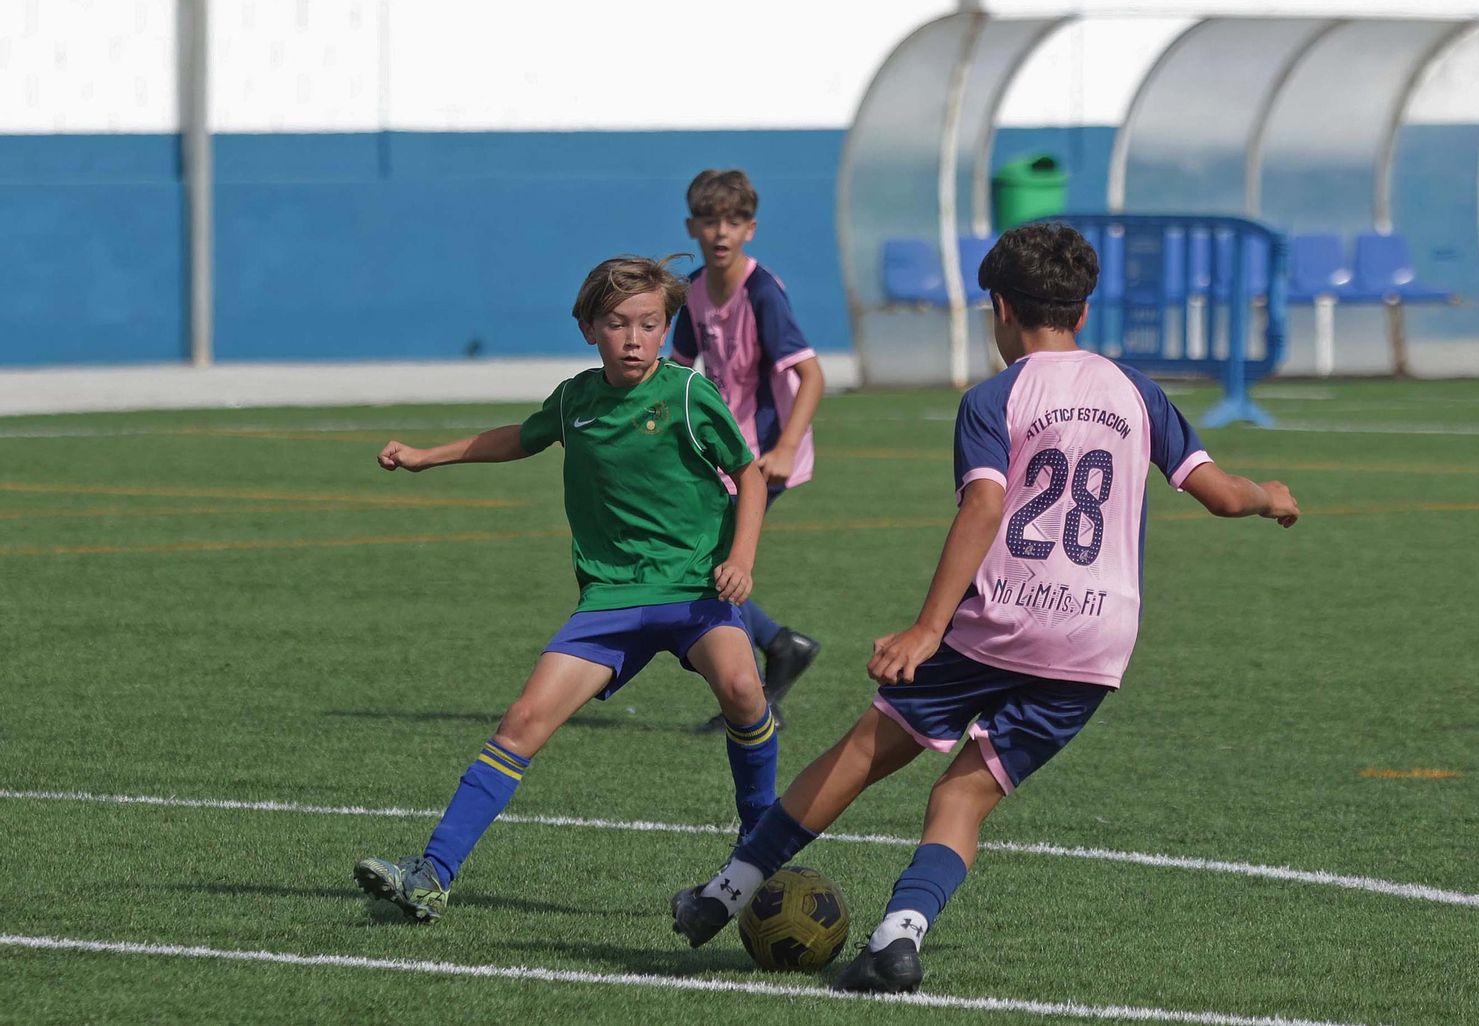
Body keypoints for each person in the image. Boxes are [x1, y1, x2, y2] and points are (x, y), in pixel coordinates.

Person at [667, 222, 1300, 991]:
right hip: (1096, 643)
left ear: (999, 307)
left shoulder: (996, 397)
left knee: (866, 749)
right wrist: (1272, 498)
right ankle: (898, 940)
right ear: (1084, 310)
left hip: (999, 622)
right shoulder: (1136, 390)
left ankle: (723, 894)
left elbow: (984, 507)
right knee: (966, 790)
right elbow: (1223, 494)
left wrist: (928, 628)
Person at [354, 255, 780, 923]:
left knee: (743, 687)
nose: (634, 339)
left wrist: (742, 558)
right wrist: (424, 455)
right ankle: (431, 873)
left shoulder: (690, 396)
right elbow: (519, 437)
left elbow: (749, 475)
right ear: (588, 329)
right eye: (617, 324)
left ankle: (761, 843)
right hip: (610, 598)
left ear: (667, 330)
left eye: (650, 324)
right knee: (523, 721)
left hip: (694, 590)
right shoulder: (576, 400)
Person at [674, 169, 824, 732]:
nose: (720, 231)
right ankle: (780, 648)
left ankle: (760, 686)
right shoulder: (691, 291)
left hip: (762, 458)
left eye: (733, 221)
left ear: (750, 229)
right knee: (704, 565)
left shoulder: (762, 292)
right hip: (725, 452)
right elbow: (681, 371)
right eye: (710, 220)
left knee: (712, 566)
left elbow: (811, 376)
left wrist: (785, 448)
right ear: (692, 226)